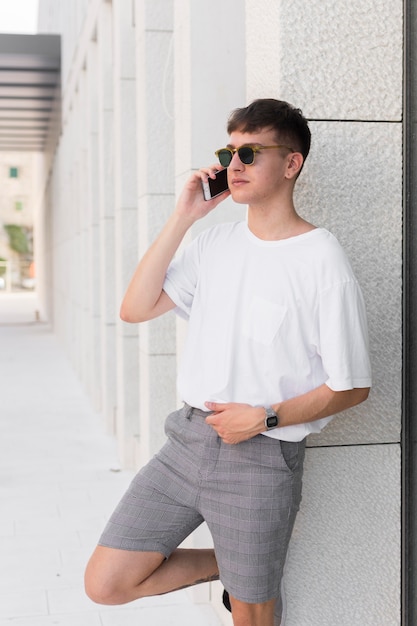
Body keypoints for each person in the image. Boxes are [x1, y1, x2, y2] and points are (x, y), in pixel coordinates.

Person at [85, 98, 371, 626]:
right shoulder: (213, 241)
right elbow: (134, 308)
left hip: (261, 456)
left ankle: (248, 574)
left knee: (252, 619)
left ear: (291, 164)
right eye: (228, 152)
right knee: (106, 583)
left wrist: (265, 417)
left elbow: (352, 386)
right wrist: (184, 216)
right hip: (187, 442)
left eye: (250, 152)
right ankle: (235, 565)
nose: (233, 165)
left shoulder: (321, 259)